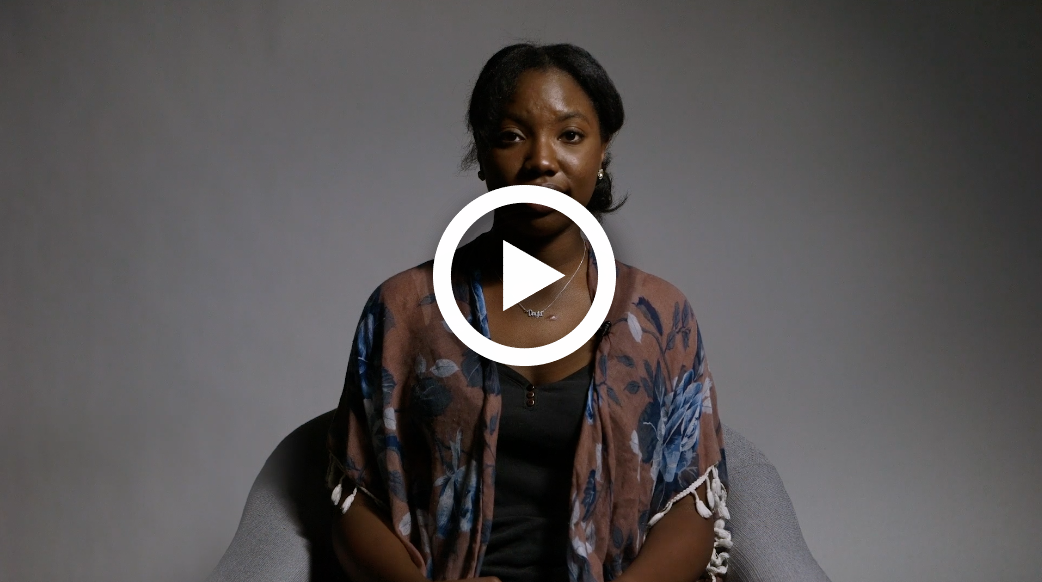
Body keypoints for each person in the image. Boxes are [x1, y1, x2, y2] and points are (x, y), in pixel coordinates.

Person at [325, 43, 730, 582]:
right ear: (482, 152)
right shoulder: (403, 310)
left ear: (603, 152)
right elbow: (354, 499)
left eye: (570, 135)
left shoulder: (659, 316)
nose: (541, 159)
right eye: (512, 136)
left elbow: (693, 505)